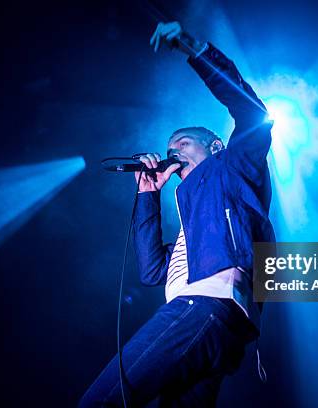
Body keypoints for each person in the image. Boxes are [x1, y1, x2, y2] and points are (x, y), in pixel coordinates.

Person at [79, 21, 275, 407]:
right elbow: (152, 270)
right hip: (216, 328)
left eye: (183, 143)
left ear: (214, 146)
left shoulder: (233, 168)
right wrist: (149, 194)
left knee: (99, 402)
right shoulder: (195, 227)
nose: (174, 151)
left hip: (205, 307)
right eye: (170, 145)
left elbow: (252, 114)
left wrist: (196, 49)